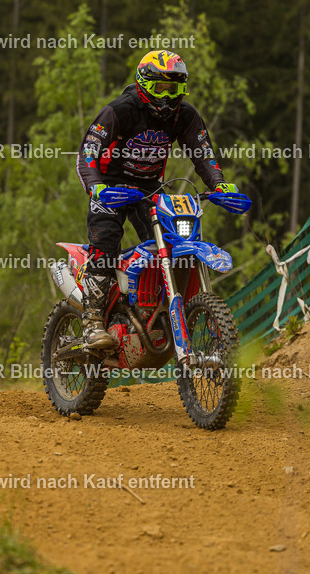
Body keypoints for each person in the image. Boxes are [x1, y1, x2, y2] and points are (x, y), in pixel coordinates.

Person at [74, 50, 239, 350]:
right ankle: (93, 321)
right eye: (161, 87)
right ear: (144, 84)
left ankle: (156, 309)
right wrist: (96, 187)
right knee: (106, 243)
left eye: (174, 88)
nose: (167, 96)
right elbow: (87, 153)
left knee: (173, 244)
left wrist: (218, 184)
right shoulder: (121, 110)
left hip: (149, 189)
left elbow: (203, 154)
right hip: (110, 187)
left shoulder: (184, 115)